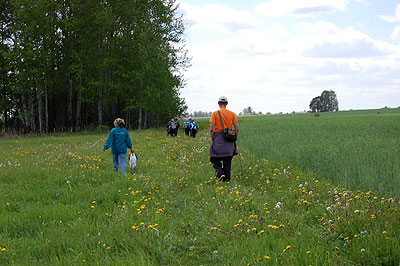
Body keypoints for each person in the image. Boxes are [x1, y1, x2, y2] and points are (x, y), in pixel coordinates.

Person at [209, 96, 239, 182]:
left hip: (218, 138)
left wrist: (213, 138)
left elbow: (211, 129)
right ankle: (227, 180)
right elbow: (237, 128)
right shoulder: (232, 114)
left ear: (218, 103)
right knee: (227, 160)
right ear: (226, 104)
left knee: (214, 157)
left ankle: (219, 172)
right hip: (229, 139)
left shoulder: (215, 114)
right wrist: (234, 138)